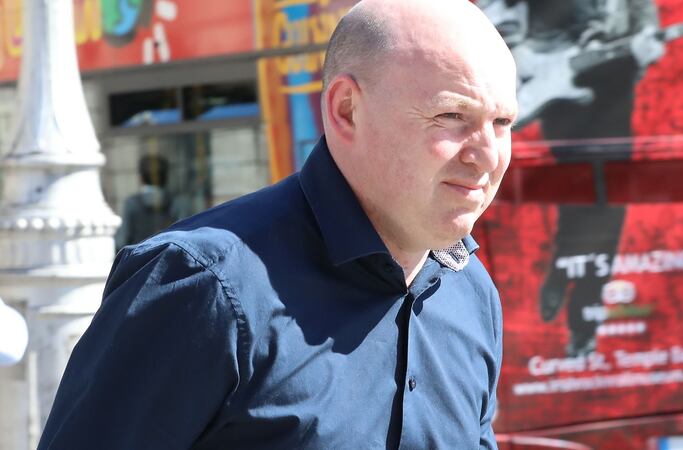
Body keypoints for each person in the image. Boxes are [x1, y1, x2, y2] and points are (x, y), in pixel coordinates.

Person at [38, 0, 517, 448]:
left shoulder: (471, 293)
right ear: (346, 110)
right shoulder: (201, 285)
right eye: (452, 116)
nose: (488, 156)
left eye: (501, 123)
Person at [482, 0, 662, 356]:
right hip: (560, 89)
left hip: (614, 92)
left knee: (610, 207)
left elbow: (647, 28)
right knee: (579, 197)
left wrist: (644, 48)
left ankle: (582, 317)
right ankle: (565, 279)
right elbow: (494, 23)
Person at [114, 154, 177, 251]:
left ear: (141, 178)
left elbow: (122, 240)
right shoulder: (177, 202)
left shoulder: (132, 203)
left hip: (141, 261)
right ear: (166, 177)